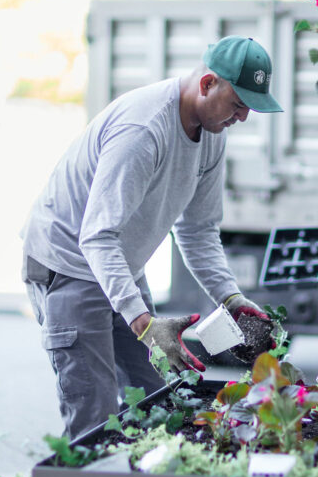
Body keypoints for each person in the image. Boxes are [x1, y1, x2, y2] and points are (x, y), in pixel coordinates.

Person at [21, 35, 282, 440]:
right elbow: (97, 235)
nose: (243, 117)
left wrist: (230, 298)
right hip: (70, 264)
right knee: (95, 417)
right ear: (208, 83)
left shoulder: (212, 133)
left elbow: (198, 230)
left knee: (155, 399)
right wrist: (143, 322)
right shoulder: (143, 129)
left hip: (120, 262)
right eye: (238, 104)